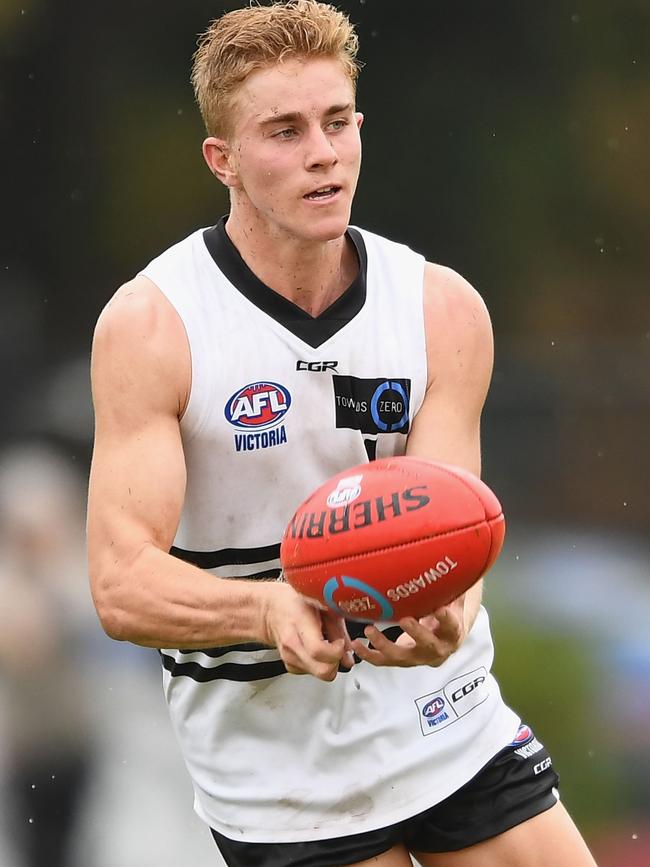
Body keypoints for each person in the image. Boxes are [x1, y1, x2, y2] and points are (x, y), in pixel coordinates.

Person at [87, 2, 598, 864]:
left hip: (448, 721)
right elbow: (120, 582)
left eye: (336, 123)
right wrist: (263, 606)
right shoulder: (156, 325)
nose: (322, 153)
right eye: (283, 132)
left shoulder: (440, 309)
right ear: (224, 161)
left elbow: (446, 523)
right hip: (276, 778)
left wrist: (444, 605)